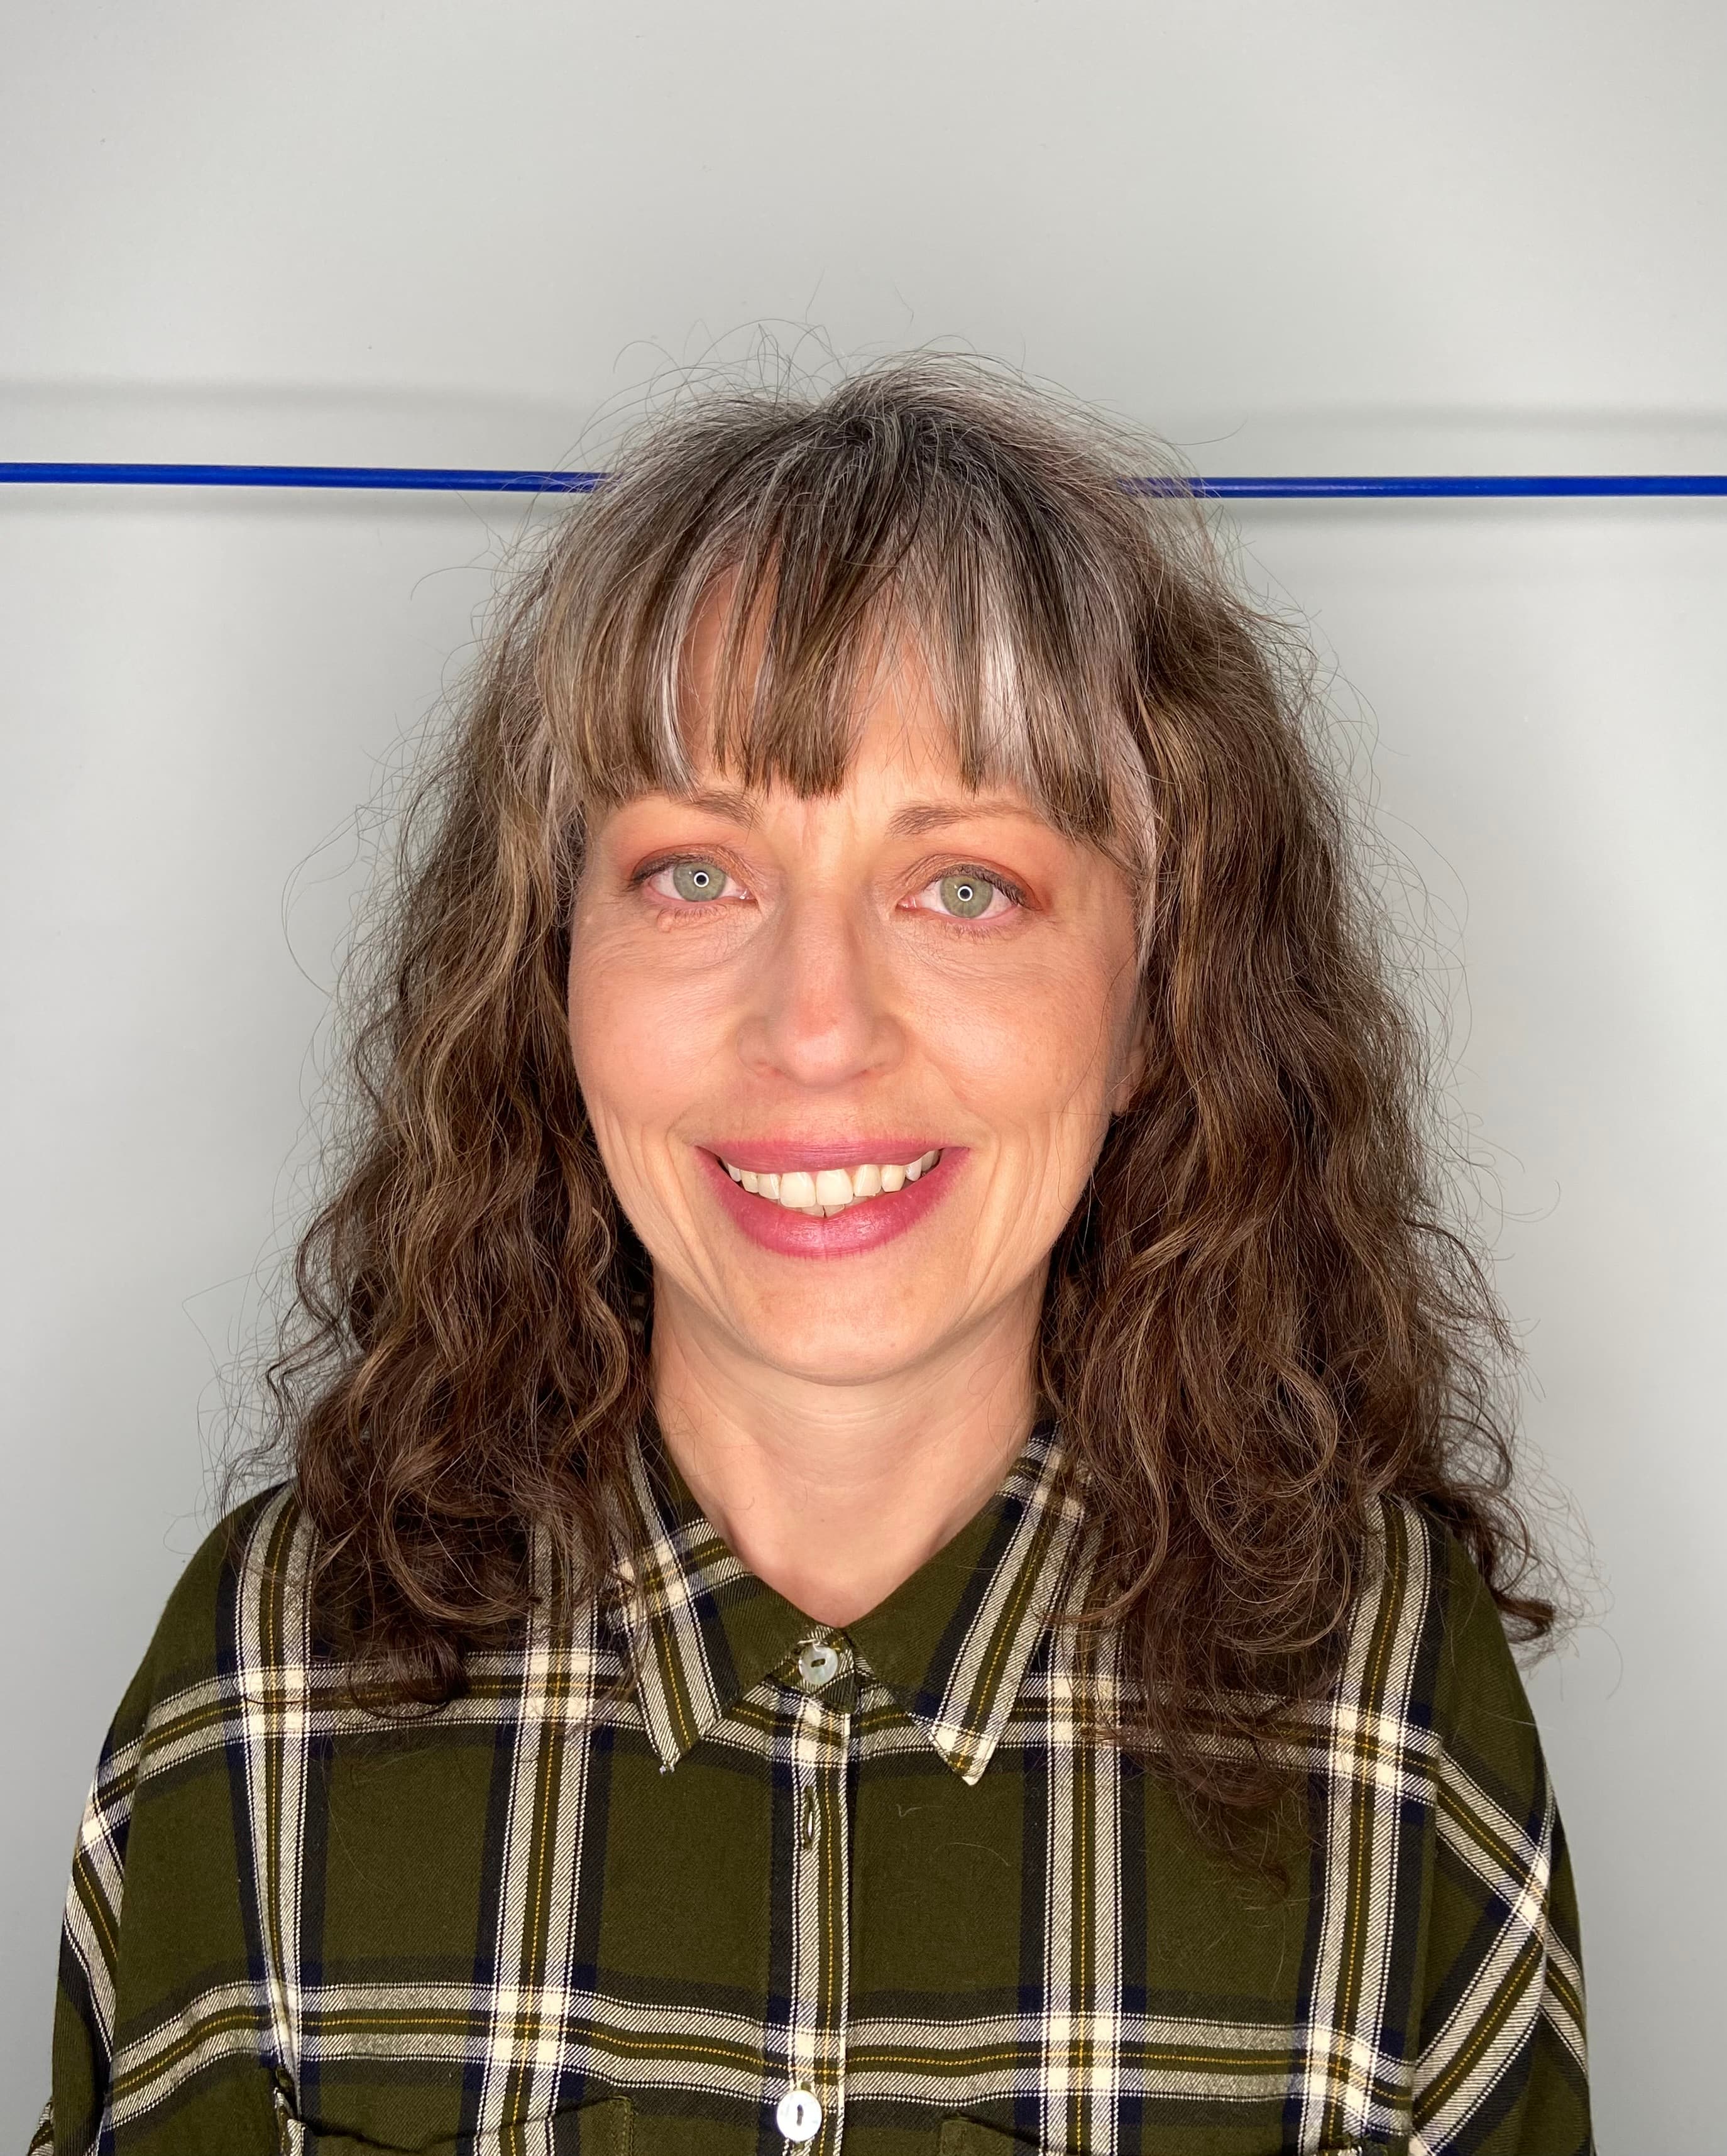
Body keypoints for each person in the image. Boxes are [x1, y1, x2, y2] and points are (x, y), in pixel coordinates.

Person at [32, 362, 1589, 2156]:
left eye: (967, 888)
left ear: (1161, 1002)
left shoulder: (1389, 1692)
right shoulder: (272, 1675)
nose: (817, 1028)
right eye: (696, 876)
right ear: (551, 977)